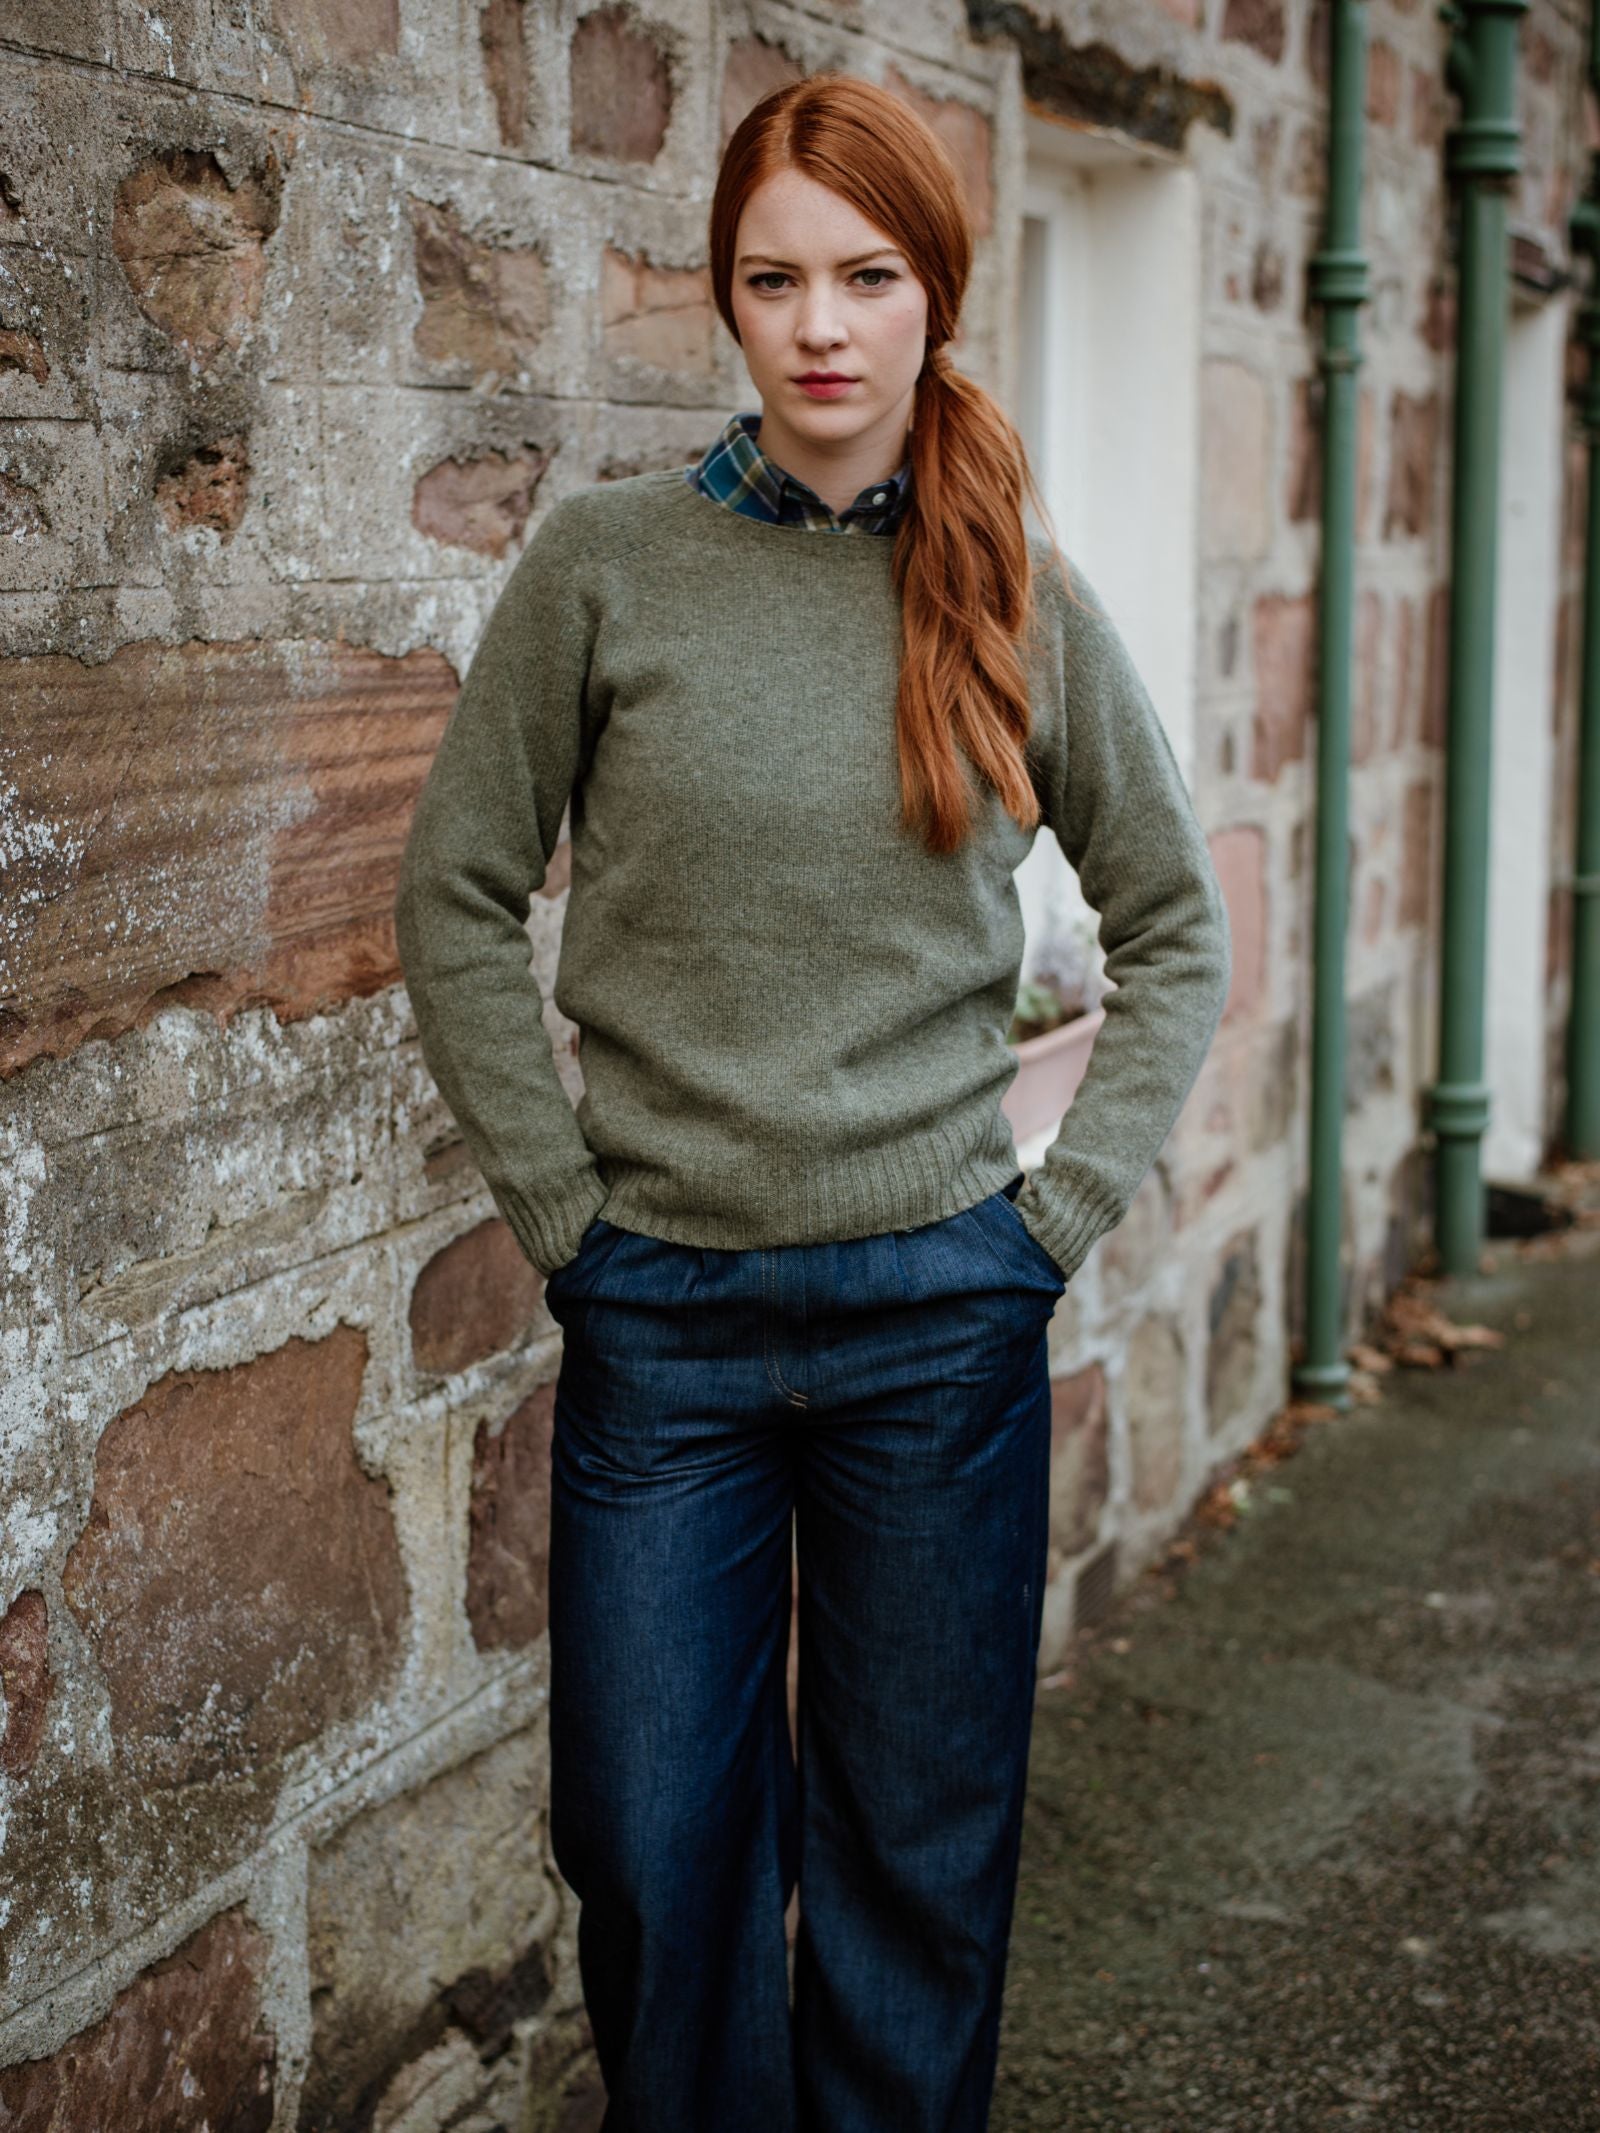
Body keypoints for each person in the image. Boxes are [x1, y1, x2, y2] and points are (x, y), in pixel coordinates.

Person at [393, 70, 1231, 2133]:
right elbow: (455, 889)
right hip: (660, 1318)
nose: (821, 324)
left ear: (934, 294)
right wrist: (569, 1218)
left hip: (932, 1317)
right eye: (773, 279)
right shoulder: (603, 569)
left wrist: (1039, 1223)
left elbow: (1175, 931)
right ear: (727, 304)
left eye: (865, 275)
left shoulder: (1009, 588)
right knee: (655, 1855)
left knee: (910, 1870)